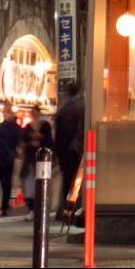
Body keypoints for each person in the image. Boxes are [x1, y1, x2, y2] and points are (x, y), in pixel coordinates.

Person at [53, 82, 85, 223]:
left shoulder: (63, 109)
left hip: (64, 151)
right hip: (76, 150)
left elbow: (57, 132)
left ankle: (64, 211)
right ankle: (73, 211)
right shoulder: (82, 107)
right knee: (77, 183)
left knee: (67, 182)